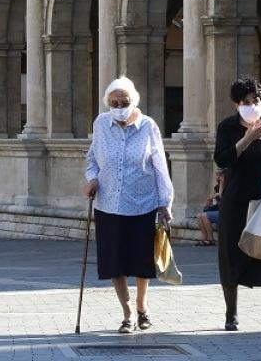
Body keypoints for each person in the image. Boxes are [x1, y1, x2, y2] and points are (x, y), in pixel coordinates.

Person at [83, 76, 174, 334]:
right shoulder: (101, 124)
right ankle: (128, 314)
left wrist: (165, 202)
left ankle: (142, 305)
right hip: (109, 204)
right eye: (114, 102)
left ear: (133, 101)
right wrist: (91, 179)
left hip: (142, 204)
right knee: (115, 261)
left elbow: (159, 166)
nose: (119, 105)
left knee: (141, 261)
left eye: (124, 101)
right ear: (108, 104)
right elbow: (92, 159)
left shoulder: (148, 126)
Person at [213, 77, 261, 334]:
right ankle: (231, 314)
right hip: (236, 200)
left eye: (256, 100)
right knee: (231, 255)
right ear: (236, 104)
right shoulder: (227, 127)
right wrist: (247, 138)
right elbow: (222, 158)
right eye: (246, 102)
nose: (252, 105)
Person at [196, 171, 224, 246]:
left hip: (225, 212)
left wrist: (222, 183)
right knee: (199, 215)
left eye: (220, 175)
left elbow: (222, 196)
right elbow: (211, 200)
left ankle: (210, 239)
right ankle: (204, 238)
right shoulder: (216, 187)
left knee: (205, 216)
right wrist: (209, 201)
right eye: (217, 175)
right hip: (217, 210)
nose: (218, 177)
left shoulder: (227, 186)